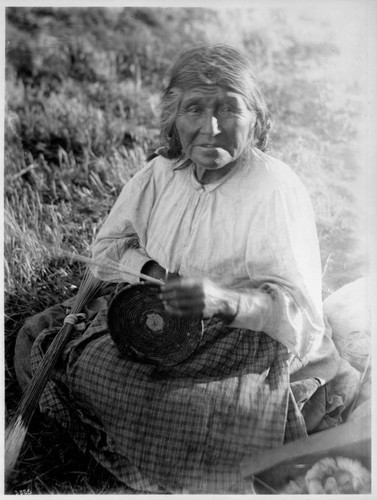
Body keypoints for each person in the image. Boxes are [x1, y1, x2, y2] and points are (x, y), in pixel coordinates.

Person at [15, 43, 361, 493]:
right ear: (174, 119)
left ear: (255, 119)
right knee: (93, 371)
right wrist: (160, 275)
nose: (210, 127)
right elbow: (108, 248)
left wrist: (224, 300)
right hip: (158, 321)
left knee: (195, 413)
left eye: (229, 110)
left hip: (244, 342)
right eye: (194, 108)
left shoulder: (274, 190)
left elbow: (300, 316)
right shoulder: (160, 175)